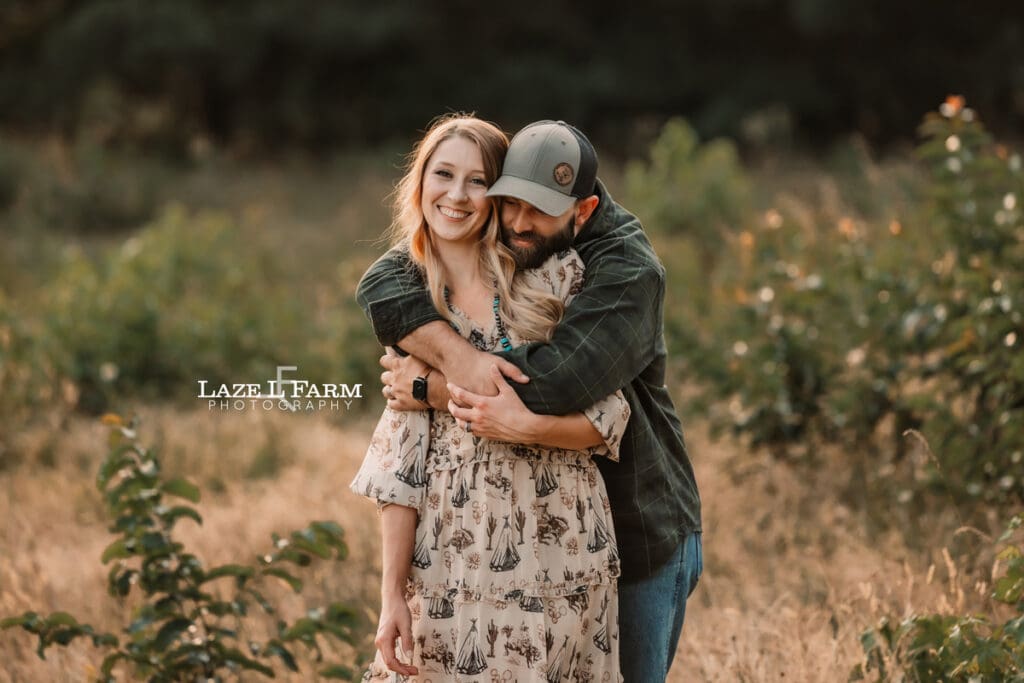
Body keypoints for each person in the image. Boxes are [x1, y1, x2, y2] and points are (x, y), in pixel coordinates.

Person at [357, 120, 703, 681]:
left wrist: (432, 388)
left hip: (633, 530)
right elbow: (381, 283)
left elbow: (567, 389)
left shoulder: (607, 272)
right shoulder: (452, 271)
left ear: (583, 210)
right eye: (511, 201)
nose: (520, 222)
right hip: (461, 572)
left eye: (540, 210)